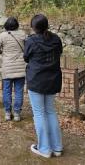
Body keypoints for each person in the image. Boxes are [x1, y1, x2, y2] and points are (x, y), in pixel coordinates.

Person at [24, 14, 63, 159]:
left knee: (39, 113)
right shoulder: (56, 39)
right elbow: (59, 53)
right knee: (51, 112)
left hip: (36, 80)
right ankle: (57, 147)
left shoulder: (31, 41)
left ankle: (45, 148)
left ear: (33, 27)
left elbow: (26, 57)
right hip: (53, 80)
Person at [0, 17, 26, 122]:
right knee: (19, 91)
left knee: (6, 91)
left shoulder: (3, 36)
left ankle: (7, 113)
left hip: (7, 68)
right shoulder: (23, 34)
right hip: (21, 68)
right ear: (17, 25)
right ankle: (16, 114)